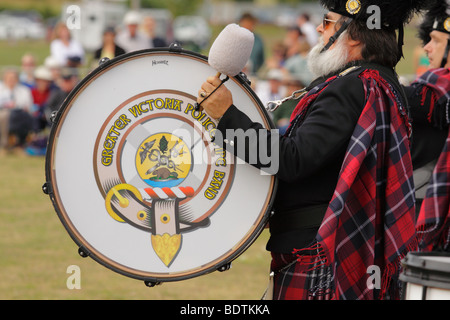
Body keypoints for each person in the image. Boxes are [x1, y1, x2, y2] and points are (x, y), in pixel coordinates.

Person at [197, 0, 427, 300]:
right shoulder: (379, 82)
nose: (319, 28)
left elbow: (294, 159)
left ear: (355, 35)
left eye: (328, 21)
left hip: (316, 253)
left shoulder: (350, 87)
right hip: (331, 246)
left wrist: (228, 117)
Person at [407, 0, 450, 252]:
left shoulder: (434, 92)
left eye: (436, 39)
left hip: (426, 214)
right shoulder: (429, 88)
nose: (426, 47)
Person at [0, 68, 33, 152]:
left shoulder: (24, 90)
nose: (11, 80)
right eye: (9, 78)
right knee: (5, 115)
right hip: (3, 112)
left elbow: (28, 104)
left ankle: (18, 143)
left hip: (19, 114)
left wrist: (15, 105)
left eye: (13, 78)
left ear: (17, 79)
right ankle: (4, 143)